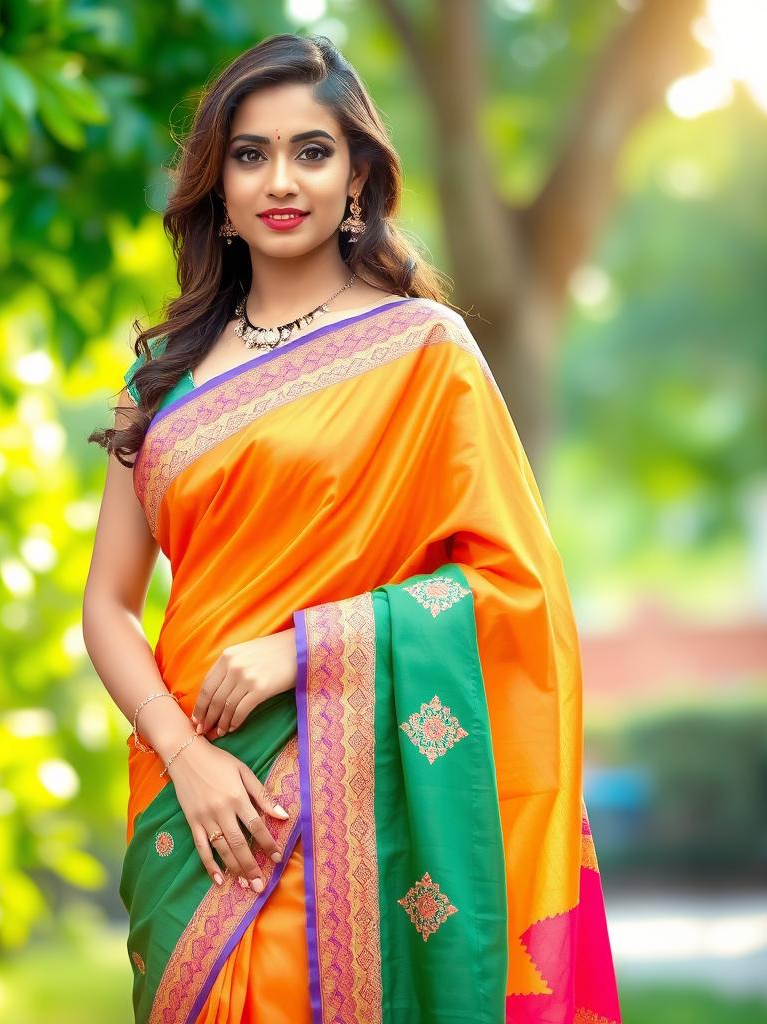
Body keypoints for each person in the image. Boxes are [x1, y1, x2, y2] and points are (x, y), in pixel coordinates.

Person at [83, 32, 621, 1024]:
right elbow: (108, 604)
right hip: (195, 799)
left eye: (312, 151)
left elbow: (517, 591)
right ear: (219, 186)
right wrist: (185, 754)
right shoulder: (162, 377)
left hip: (358, 801)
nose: (280, 180)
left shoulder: (423, 352)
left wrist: (307, 652)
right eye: (250, 154)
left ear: (358, 180)